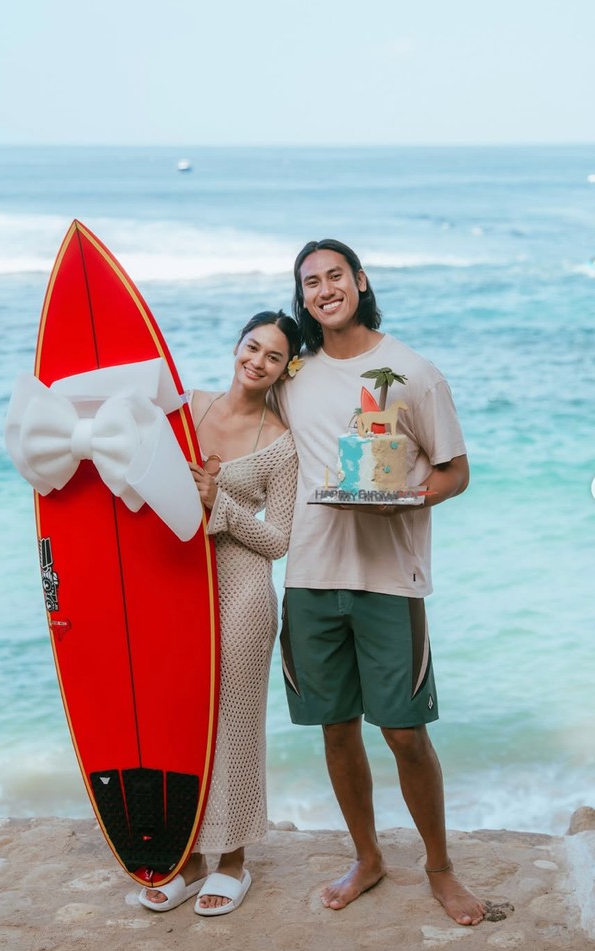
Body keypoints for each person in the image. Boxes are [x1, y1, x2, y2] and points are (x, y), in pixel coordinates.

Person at [276, 239, 486, 926]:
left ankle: (440, 866)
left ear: (361, 282)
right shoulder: (294, 373)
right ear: (303, 297)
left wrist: (411, 497)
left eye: (335, 275)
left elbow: (456, 471)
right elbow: (245, 418)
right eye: (310, 282)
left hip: (391, 578)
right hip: (309, 577)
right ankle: (367, 856)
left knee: (403, 732)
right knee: (336, 730)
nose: (323, 288)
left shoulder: (414, 372)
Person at [139, 310, 300, 916]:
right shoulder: (186, 408)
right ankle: (186, 856)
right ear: (237, 345)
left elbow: (279, 538)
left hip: (242, 592)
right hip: (176, 586)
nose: (256, 362)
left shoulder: (282, 443)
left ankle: (233, 861)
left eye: (273, 357)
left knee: (231, 725)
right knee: (177, 719)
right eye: (252, 347)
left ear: (286, 369)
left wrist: (219, 502)